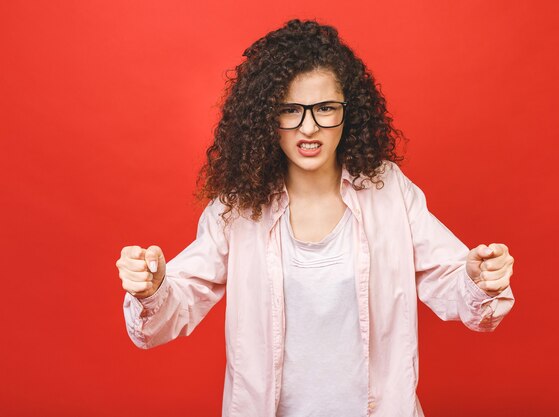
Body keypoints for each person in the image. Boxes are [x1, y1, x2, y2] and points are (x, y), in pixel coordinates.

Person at [116, 19, 515, 417]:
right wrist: (152, 289)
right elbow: (172, 310)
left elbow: (454, 284)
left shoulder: (389, 190)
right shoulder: (237, 208)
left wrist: (478, 279)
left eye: (325, 108)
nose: (309, 127)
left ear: (349, 111)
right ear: (265, 118)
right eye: (290, 110)